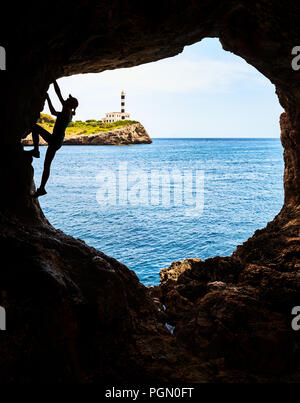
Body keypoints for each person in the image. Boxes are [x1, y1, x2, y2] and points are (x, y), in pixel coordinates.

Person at [26, 80, 78, 198]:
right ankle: (42, 188)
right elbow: (53, 112)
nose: (66, 99)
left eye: (68, 99)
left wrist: (53, 80)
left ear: (69, 104)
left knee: (35, 127)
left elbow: (58, 93)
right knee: (47, 165)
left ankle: (35, 150)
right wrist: (48, 98)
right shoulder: (68, 112)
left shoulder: (66, 109)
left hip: (55, 140)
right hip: (57, 140)